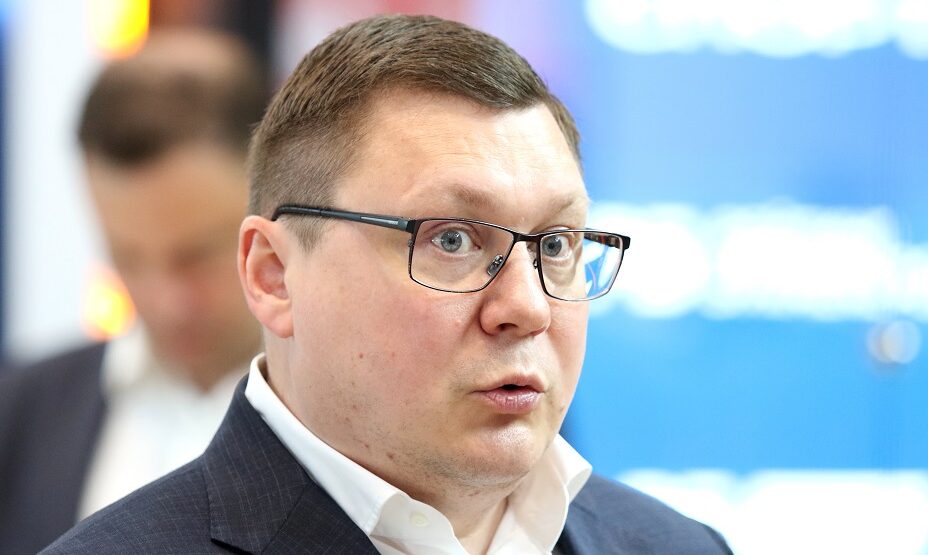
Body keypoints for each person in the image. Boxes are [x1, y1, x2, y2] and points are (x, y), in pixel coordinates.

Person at [42, 15, 731, 554]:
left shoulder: (678, 547)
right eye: (451, 239)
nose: (527, 306)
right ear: (273, 275)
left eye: (555, 244)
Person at [0, 30, 266, 555]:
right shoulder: (22, 412)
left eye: (197, 256)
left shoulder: (359, 421)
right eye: (129, 258)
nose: (168, 302)